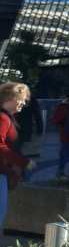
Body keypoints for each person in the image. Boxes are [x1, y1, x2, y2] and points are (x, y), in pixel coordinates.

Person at [1, 82, 35, 229]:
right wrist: (23, 162)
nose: (24, 102)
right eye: (21, 99)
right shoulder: (3, 118)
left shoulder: (7, 118)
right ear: (10, 98)